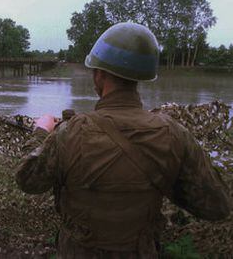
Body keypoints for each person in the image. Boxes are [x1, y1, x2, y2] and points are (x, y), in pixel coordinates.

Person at [15, 22, 231, 258]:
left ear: (99, 74)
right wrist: (165, 175)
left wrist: (42, 130)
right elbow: (216, 206)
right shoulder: (173, 135)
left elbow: (28, 180)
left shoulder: (70, 133)